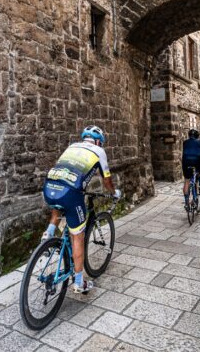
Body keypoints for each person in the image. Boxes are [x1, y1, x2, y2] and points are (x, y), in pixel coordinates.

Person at [41, 125, 121, 294]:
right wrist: (114, 193)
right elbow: (107, 181)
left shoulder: (72, 146)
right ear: (99, 141)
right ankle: (79, 282)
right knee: (77, 236)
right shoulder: (99, 151)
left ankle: (48, 233)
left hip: (50, 186)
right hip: (71, 192)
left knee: (58, 202)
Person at [181, 128, 200, 210]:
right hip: (197, 160)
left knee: (187, 181)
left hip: (186, 161)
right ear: (198, 136)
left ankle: (186, 202)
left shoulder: (185, 142)